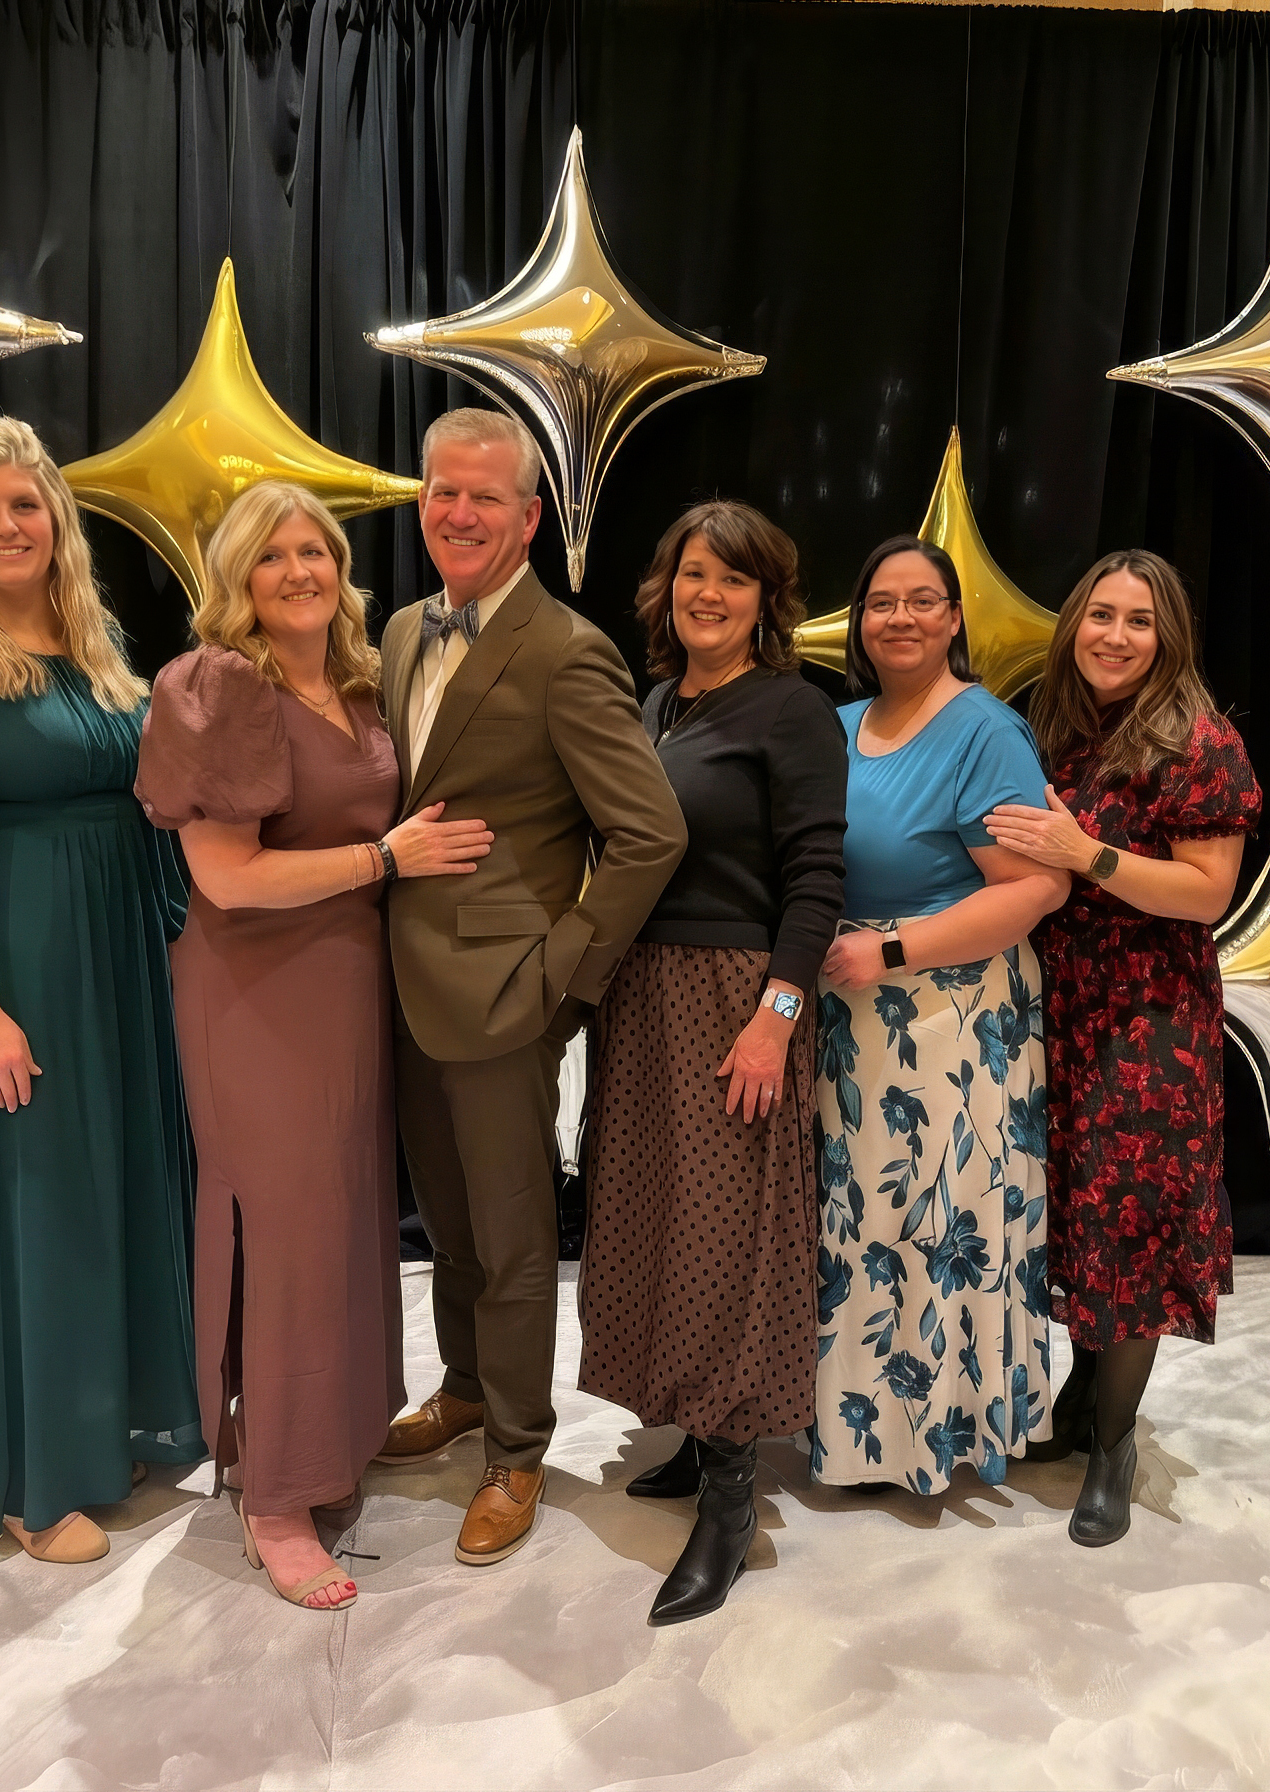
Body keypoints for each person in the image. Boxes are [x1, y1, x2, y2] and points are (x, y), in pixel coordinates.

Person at [135, 482, 494, 1611]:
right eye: (272, 555)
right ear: (236, 578)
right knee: (282, 1226)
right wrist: (386, 861)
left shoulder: (354, 681)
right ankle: (275, 1498)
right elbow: (227, 878)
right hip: (254, 989)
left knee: (342, 1219)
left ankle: (325, 1445)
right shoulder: (216, 684)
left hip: (347, 985)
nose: (299, 570)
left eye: (316, 551)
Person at [0, 417, 200, 1565]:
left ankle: (117, 1424)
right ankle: (30, 1473)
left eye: (25, 504)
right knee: (38, 1204)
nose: (8, 526)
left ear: (56, 516)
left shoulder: (97, 636)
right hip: (22, 963)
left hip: (122, 954)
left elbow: (148, 801)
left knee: (119, 1186)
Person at [372, 407, 686, 1567]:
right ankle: (460, 1388)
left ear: (530, 517)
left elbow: (647, 832)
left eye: (485, 498)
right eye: (443, 491)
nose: (460, 512)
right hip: (398, 988)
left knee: (509, 1240)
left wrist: (565, 977)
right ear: (423, 502)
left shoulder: (564, 647)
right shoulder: (402, 629)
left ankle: (516, 1447)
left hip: (507, 996)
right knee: (446, 1225)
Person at [577, 499, 845, 1625]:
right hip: (642, 996)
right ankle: (691, 1431)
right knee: (653, 1217)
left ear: (765, 599)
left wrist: (776, 1012)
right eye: (693, 573)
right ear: (667, 586)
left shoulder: (793, 711)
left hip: (735, 997)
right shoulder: (651, 705)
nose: (708, 594)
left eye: (733, 580)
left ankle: (732, 1498)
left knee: (732, 1235)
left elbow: (817, 877)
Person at [985, 549, 1261, 1547]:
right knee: (1073, 1217)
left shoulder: (1200, 740)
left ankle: (1116, 1443)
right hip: (1055, 1005)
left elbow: (1204, 892)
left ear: (1168, 636)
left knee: (1131, 1225)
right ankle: (1077, 1400)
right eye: (1099, 614)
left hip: (1150, 1021)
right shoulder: (1051, 731)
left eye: (1138, 621)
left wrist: (1085, 855)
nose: (1114, 635)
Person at [808, 535, 1069, 1495]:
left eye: (924, 600)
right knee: (861, 1224)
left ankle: (939, 1433)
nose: (902, 618)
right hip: (850, 1016)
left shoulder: (985, 730)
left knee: (934, 1219)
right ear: (859, 621)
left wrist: (888, 951)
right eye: (882, 602)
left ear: (955, 618)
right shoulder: (833, 726)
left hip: (945, 1021)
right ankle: (858, 1425)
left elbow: (1035, 888)